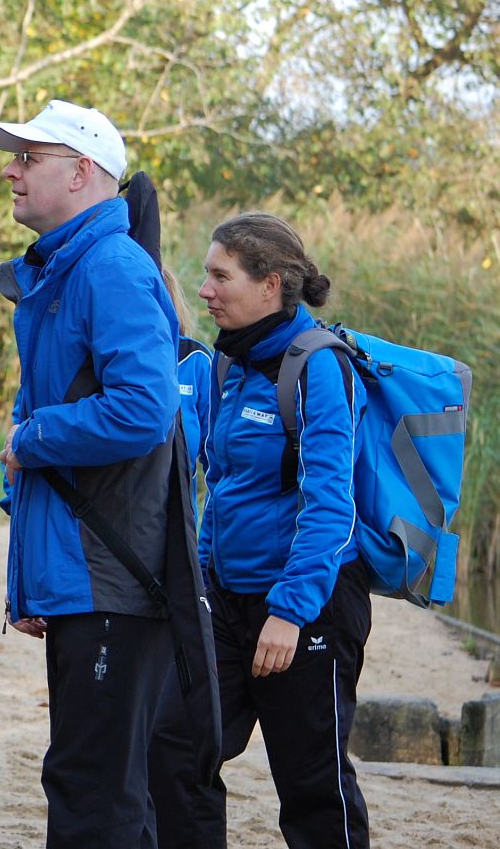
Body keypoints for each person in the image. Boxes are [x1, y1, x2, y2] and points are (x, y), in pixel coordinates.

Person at [0, 99, 182, 848]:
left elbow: (144, 408)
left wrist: (33, 437)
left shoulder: (111, 267)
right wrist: (32, 584)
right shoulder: (67, 269)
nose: (11, 171)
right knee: (96, 786)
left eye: (28, 158)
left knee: (93, 791)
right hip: (86, 578)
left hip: (113, 578)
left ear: (81, 173)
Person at [197, 212, 369, 847]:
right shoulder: (229, 363)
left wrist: (290, 612)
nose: (205, 290)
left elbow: (330, 505)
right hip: (227, 602)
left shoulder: (318, 367)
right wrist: (204, 578)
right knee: (181, 748)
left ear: (270, 284)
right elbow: (219, 487)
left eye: (221, 276)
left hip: (306, 606)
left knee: (311, 784)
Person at [144, 263, 220, 849]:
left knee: (176, 721)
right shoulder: (95, 358)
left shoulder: (197, 364)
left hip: (179, 560)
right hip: (110, 559)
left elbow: (223, 466)